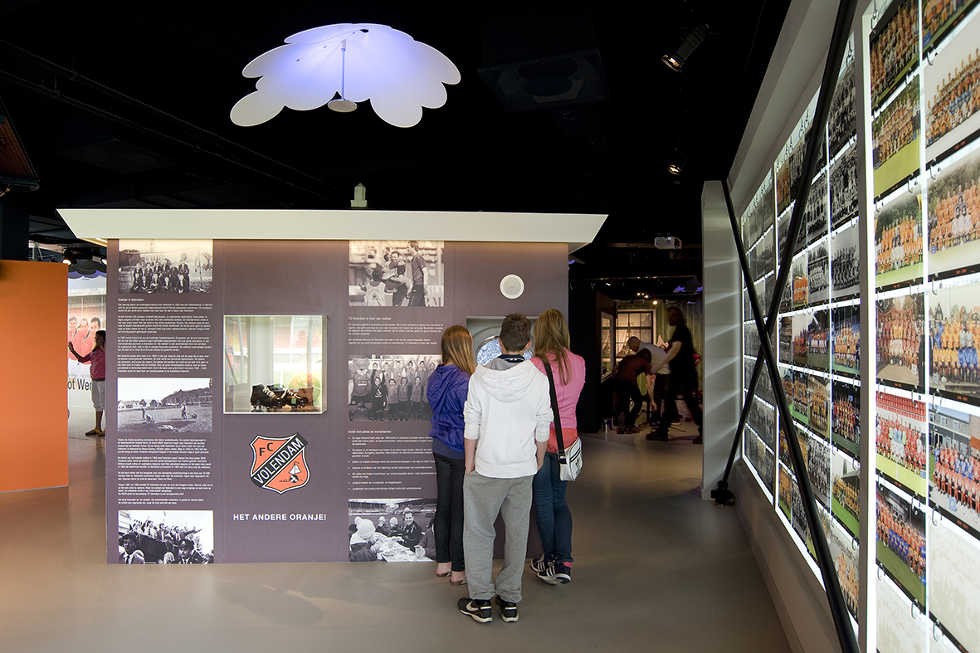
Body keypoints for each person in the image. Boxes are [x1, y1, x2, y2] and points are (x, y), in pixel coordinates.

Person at [458, 314, 552, 624]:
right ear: (527, 344)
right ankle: (510, 600)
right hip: (521, 468)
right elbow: (542, 425)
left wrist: (470, 463)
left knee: (478, 533)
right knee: (517, 533)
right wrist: (537, 459)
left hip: (486, 466)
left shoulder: (479, 378)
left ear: (499, 342)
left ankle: (482, 600)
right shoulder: (538, 379)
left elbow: (471, 426)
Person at [529, 308, 585, 585]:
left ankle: (549, 558)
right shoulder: (579, 362)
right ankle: (563, 561)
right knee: (560, 501)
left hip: (539, 440)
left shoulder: (534, 365)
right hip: (568, 438)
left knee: (543, 501)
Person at [428, 324, 476, 585]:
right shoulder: (466, 380)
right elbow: (472, 420)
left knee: (443, 506)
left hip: (439, 446)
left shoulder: (434, 377)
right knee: (460, 510)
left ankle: (442, 563)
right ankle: (458, 569)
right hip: (460, 449)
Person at [652, 306, 703, 444]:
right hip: (681, 375)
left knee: (690, 403)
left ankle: (704, 431)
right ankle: (662, 431)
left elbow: (675, 350)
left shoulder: (681, 330)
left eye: (670, 316)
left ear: (675, 316)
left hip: (684, 375)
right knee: (670, 401)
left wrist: (659, 364)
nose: (668, 318)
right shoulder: (681, 330)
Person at [68, 330, 106, 437]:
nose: (96, 339)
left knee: (105, 405)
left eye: (98, 337)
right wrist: (73, 351)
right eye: (95, 337)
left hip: (104, 382)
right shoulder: (94, 352)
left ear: (103, 339)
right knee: (97, 404)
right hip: (95, 381)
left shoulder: (107, 352)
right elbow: (82, 359)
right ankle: (97, 428)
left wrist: (103, 346)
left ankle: (108, 429)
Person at [612, 348, 653, 434]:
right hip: (629, 382)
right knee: (638, 401)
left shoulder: (629, 357)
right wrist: (652, 399)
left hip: (617, 381)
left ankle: (621, 426)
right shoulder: (645, 363)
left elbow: (616, 368)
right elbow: (649, 383)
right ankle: (629, 425)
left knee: (624, 403)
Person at [407, 241, 426, 306]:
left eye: (408, 247)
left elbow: (425, 272)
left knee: (411, 307)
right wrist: (411, 288)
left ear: (413, 247)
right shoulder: (413, 259)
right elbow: (414, 275)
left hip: (419, 286)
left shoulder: (418, 257)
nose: (407, 249)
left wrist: (425, 286)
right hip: (416, 285)